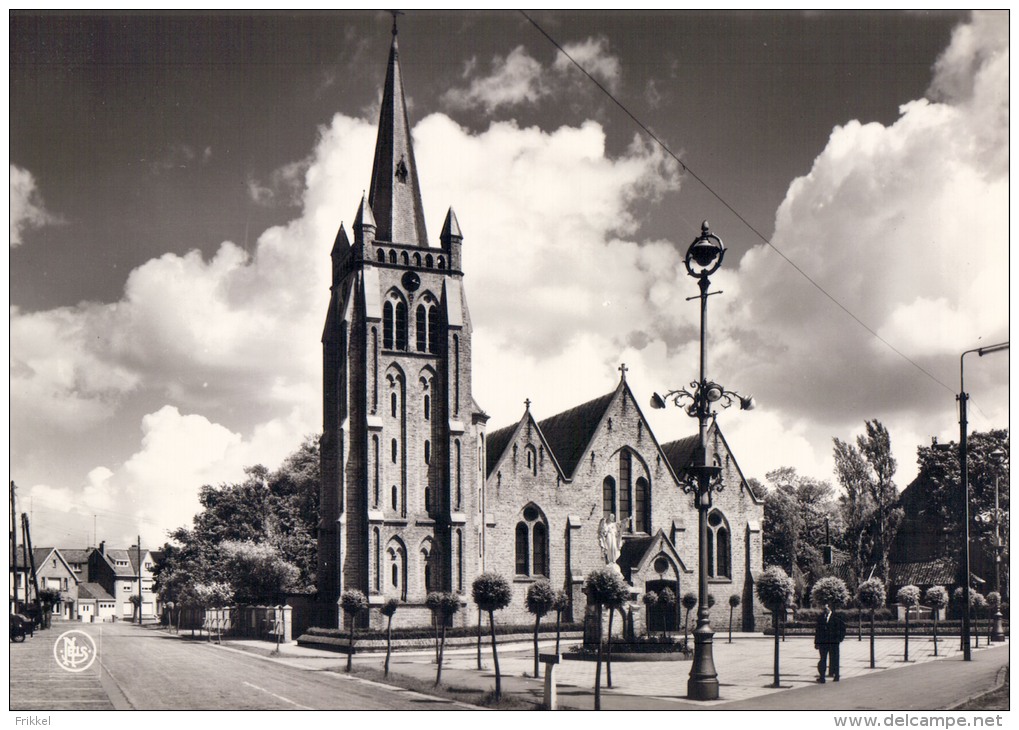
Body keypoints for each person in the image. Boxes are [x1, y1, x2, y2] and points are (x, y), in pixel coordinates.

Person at [814, 602, 846, 683]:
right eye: (823, 608)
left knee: (835, 659)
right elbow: (817, 631)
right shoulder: (820, 617)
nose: (825, 609)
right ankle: (822, 677)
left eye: (826, 607)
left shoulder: (836, 617)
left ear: (829, 608)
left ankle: (836, 675)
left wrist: (839, 639)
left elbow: (843, 628)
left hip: (833, 642)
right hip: (823, 643)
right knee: (822, 659)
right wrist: (816, 643)